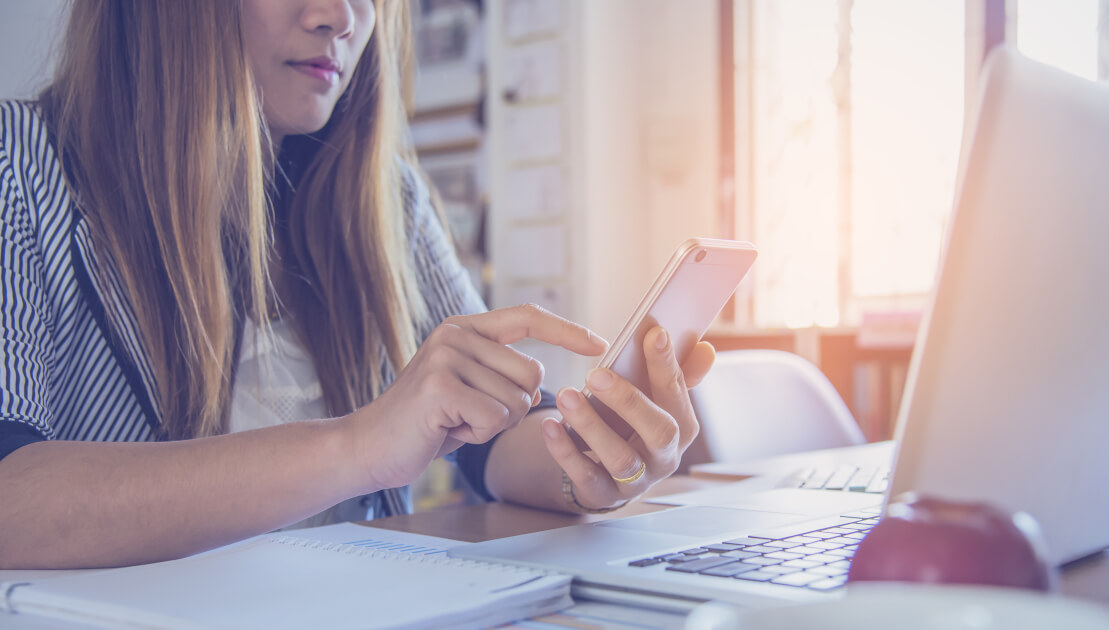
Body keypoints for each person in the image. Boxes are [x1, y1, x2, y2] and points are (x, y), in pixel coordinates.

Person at [0, 0, 715, 570]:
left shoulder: (385, 198)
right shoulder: (22, 166)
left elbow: (492, 439)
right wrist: (360, 444)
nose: (340, 15)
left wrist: (587, 463)